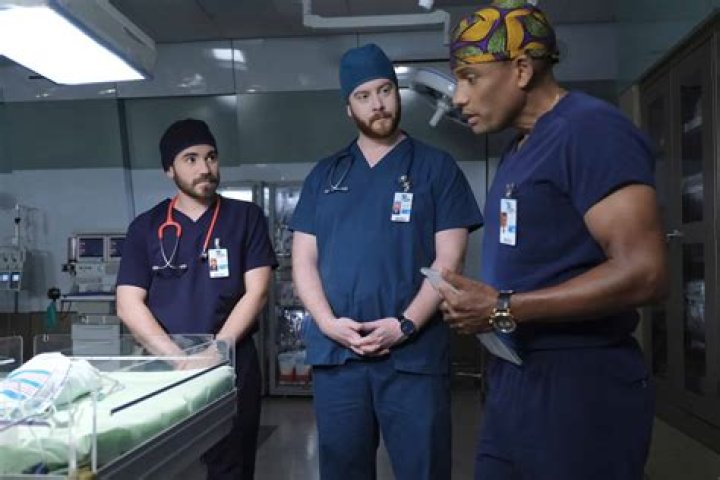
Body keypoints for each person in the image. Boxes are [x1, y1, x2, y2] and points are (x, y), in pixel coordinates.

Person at [439, 1, 668, 479]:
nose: (458, 97)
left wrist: (503, 306)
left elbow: (645, 272)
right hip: (515, 378)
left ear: (522, 69)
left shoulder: (590, 130)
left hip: (580, 385)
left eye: (470, 78)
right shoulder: (519, 148)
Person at [290, 43, 483, 480]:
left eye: (385, 90)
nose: (377, 103)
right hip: (339, 357)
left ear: (397, 94)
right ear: (349, 108)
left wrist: (405, 325)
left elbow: (449, 259)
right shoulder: (325, 176)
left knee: (423, 469)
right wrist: (327, 323)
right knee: (343, 471)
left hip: (413, 358)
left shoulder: (436, 168)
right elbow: (303, 261)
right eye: (363, 95)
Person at [116, 118, 277, 479]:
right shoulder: (145, 227)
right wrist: (179, 360)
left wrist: (217, 351)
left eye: (211, 157)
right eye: (190, 159)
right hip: (165, 365)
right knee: (158, 466)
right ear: (169, 170)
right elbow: (128, 303)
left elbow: (258, 291)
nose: (205, 168)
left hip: (231, 362)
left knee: (231, 466)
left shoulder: (245, 218)